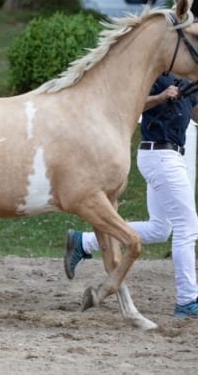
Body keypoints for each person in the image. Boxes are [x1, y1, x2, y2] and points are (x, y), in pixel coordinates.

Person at [64, 73, 198, 318]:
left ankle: (83, 242)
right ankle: (187, 301)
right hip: (160, 154)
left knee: (160, 229)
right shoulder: (159, 76)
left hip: (172, 157)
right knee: (188, 227)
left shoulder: (189, 82)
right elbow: (130, 105)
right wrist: (160, 96)